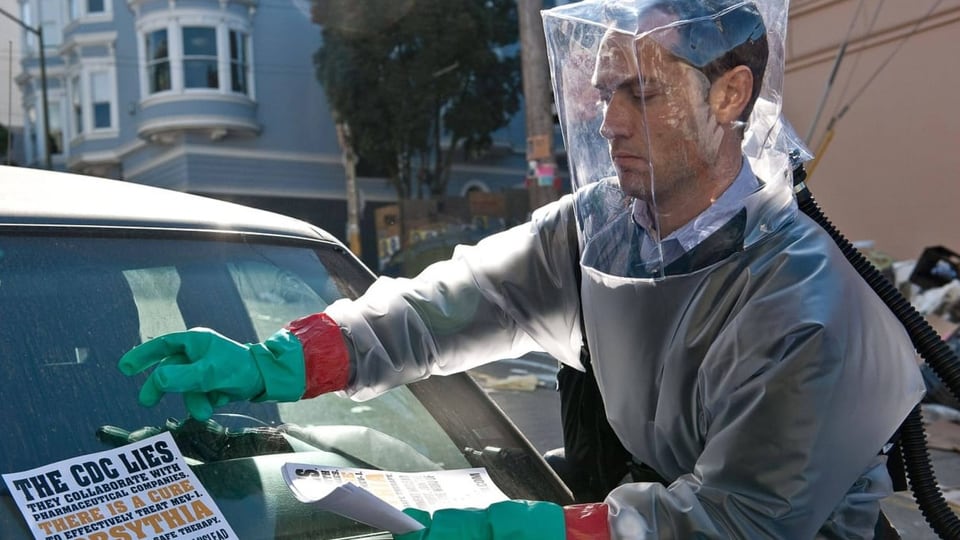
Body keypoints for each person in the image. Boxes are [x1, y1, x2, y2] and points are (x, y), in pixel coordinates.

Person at [118, 0, 925, 537]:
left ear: (729, 97)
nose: (608, 123)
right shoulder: (606, 230)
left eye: (639, 94)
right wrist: (280, 361)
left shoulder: (809, 300)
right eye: (605, 92)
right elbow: (451, 305)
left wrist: (541, 528)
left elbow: (742, 519)